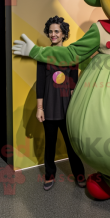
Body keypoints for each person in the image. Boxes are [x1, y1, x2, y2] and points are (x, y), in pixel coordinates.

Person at [36, 15, 86, 191]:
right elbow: (40, 84)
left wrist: (74, 109)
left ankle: (79, 174)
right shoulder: (42, 54)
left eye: (56, 31)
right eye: (50, 31)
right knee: (50, 145)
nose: (53, 34)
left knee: (72, 145)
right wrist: (40, 108)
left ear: (64, 34)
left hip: (67, 109)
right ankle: (49, 175)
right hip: (49, 108)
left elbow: (73, 85)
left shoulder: (72, 55)